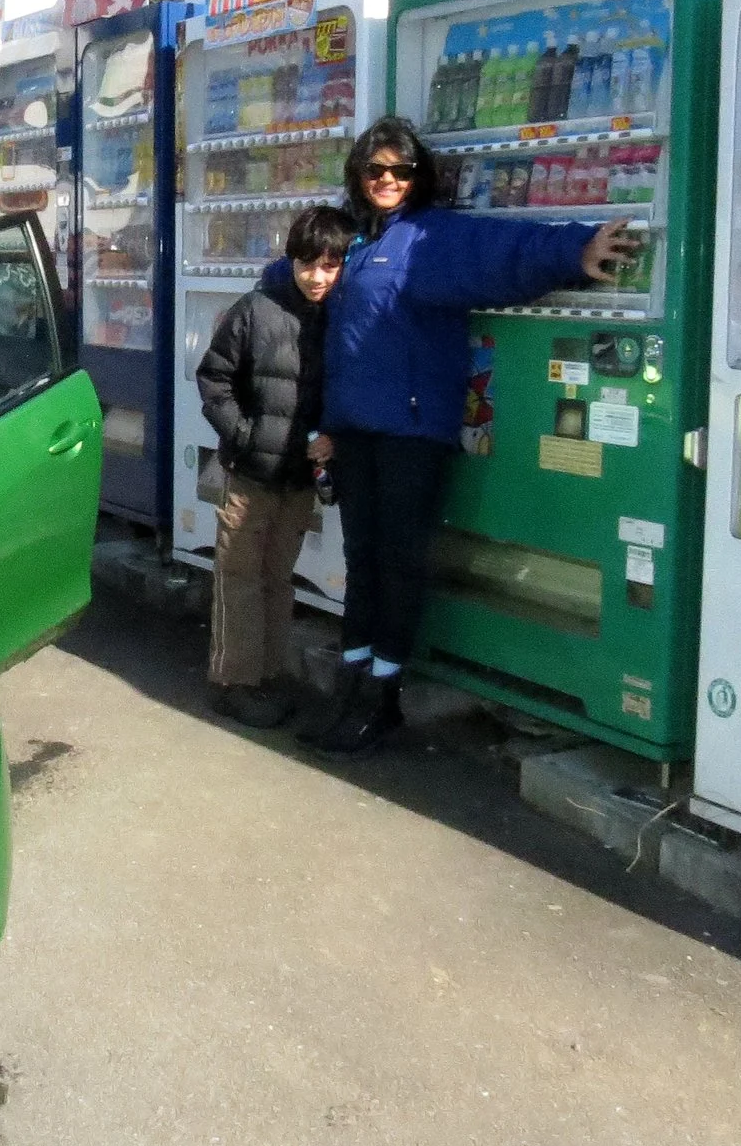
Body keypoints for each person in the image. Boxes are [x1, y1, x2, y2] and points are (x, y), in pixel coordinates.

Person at [300, 117, 633, 754]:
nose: (389, 181)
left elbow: (498, 253)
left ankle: (384, 694)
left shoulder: (430, 237)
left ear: (419, 176)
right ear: (358, 175)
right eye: (376, 170)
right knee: (363, 561)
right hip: (354, 429)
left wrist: (576, 249)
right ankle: (354, 678)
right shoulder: (353, 241)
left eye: (402, 170)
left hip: (410, 430)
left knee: (398, 562)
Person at [196, 206, 351, 727]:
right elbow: (213, 381)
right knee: (239, 576)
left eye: (331, 266)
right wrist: (246, 436)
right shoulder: (254, 310)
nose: (318, 278)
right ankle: (231, 681)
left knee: (278, 579)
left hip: (300, 480)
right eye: (309, 265)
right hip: (250, 474)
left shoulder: (339, 317)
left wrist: (333, 436)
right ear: (292, 261)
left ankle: (267, 674)